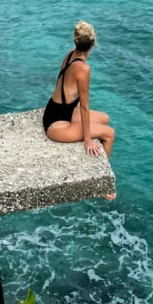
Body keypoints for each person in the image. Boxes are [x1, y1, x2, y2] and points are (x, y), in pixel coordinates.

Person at [43, 21, 116, 199]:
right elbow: (84, 106)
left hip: (55, 110)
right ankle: (100, 184)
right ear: (93, 43)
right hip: (56, 125)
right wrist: (88, 139)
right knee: (109, 133)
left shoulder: (70, 54)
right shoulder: (84, 68)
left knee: (105, 118)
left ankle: (96, 167)